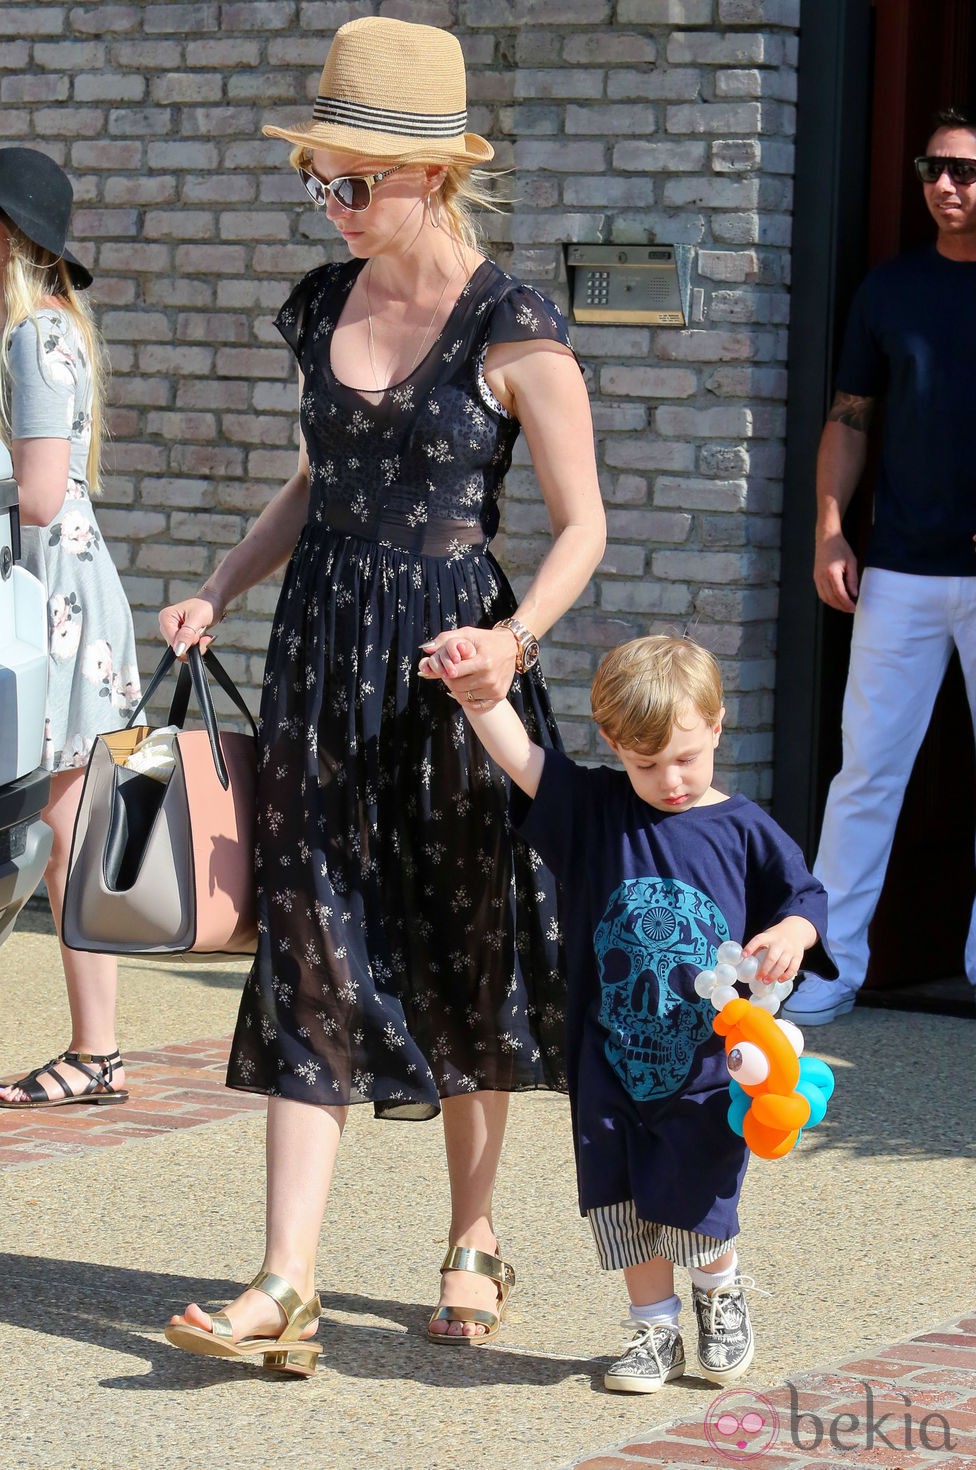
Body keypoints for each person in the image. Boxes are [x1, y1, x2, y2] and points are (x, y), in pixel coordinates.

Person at [159, 15, 606, 1373]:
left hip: (448, 668)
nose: (333, 205)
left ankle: (473, 1237)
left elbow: (583, 523)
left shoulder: (511, 320)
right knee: (307, 937)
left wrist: (514, 645)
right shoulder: (319, 303)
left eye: (353, 182)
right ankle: (285, 1280)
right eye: (320, 181)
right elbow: (319, 477)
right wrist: (224, 585)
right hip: (316, 653)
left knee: (461, 941)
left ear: (431, 177)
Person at [422, 633, 834, 1391]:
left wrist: (792, 932)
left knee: (698, 1195)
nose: (670, 781)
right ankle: (653, 1330)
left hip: (710, 1067)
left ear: (716, 726)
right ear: (613, 744)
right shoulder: (597, 812)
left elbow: (805, 897)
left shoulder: (744, 828)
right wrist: (479, 693)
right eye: (646, 765)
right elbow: (522, 758)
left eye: (686, 759)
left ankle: (719, 1289)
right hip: (607, 1058)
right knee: (620, 1204)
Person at [783, 107, 976, 1027]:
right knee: (866, 773)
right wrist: (830, 528)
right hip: (897, 568)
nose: (948, 185)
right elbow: (850, 414)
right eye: (934, 168)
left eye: (966, 171)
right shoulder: (890, 290)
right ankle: (829, 968)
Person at [0, 148, 140, 1111]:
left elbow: (40, 497)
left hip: (46, 602)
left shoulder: (26, 341)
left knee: (58, 828)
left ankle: (99, 1052)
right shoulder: (59, 332)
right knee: (64, 829)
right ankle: (99, 1052)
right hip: (69, 597)